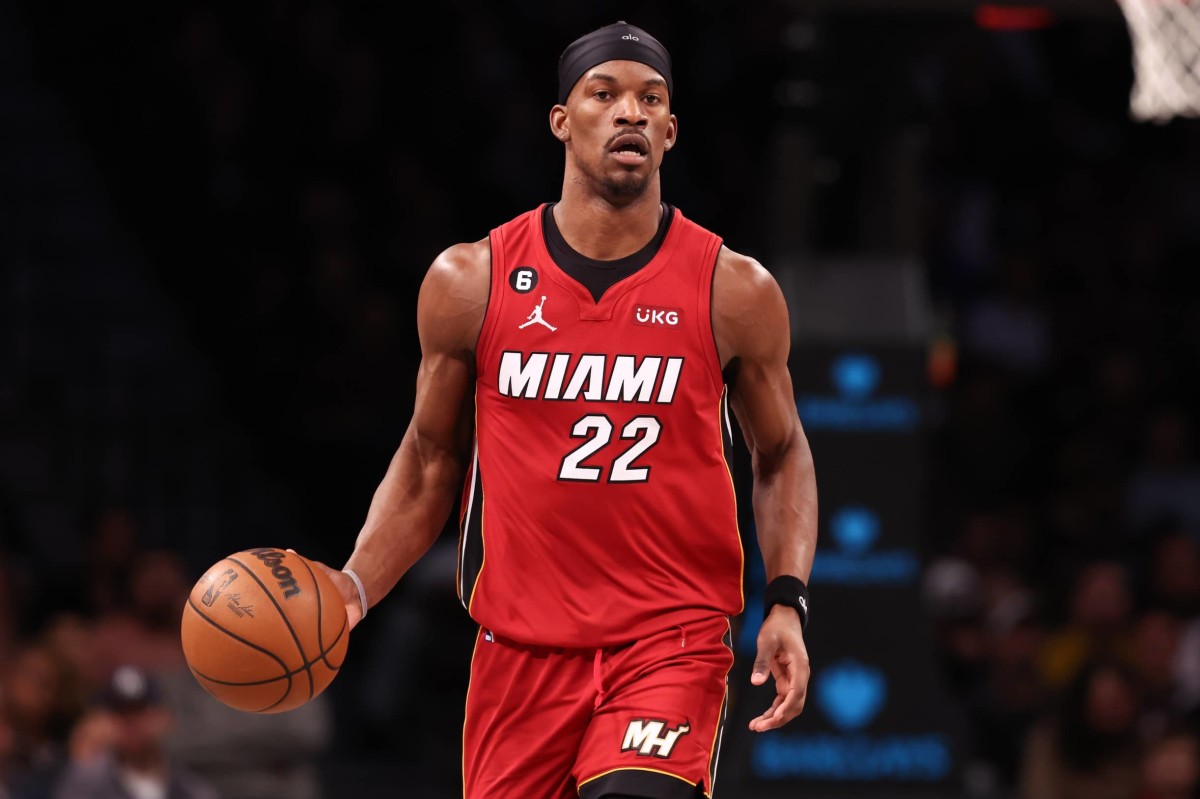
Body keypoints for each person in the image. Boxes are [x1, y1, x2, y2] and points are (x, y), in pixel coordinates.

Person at [310, 20, 818, 799]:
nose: (631, 113)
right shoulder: (469, 280)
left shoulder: (732, 288)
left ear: (671, 132)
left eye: (652, 99)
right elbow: (428, 460)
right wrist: (354, 585)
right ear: (561, 121)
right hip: (519, 653)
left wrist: (786, 599)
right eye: (605, 93)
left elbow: (781, 453)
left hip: (669, 641)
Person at [52, 664, 218, 799]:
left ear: (161, 717)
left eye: (139, 711)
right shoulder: (86, 783)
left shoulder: (189, 788)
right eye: (122, 713)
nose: (131, 723)